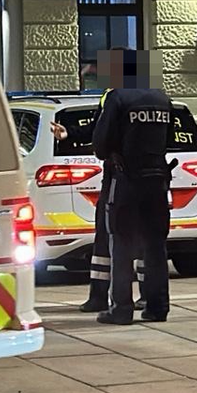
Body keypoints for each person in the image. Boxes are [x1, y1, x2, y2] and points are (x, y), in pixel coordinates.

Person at [91, 50, 175, 326]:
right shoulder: (163, 99)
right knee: (155, 245)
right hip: (157, 180)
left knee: (121, 243)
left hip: (126, 181)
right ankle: (158, 306)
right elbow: (170, 139)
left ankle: (122, 308)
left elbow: (101, 145)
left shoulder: (118, 98)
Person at [77, 90, 112, 313]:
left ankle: (101, 297)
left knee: (105, 239)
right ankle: (150, 299)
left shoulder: (114, 97)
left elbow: (100, 137)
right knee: (147, 242)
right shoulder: (156, 98)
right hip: (155, 177)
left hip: (118, 178)